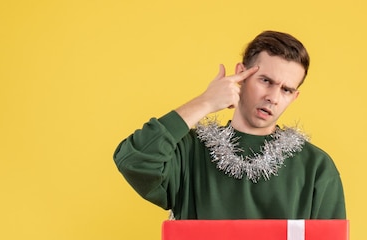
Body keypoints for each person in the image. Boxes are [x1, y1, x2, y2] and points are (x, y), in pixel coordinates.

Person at [113, 30, 346, 220]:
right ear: (241, 75)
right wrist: (205, 102)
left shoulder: (316, 167)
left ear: (294, 97)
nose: (273, 97)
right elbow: (133, 160)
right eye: (265, 81)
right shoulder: (190, 152)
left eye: (286, 90)